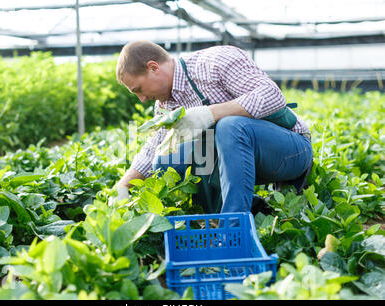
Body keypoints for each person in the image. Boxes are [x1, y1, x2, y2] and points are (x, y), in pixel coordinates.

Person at [113, 40, 313, 214]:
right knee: (166, 158)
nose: (142, 99)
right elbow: (154, 149)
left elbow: (273, 96)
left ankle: (233, 225)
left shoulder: (215, 61)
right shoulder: (166, 104)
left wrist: (210, 114)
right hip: (242, 163)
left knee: (229, 126)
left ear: (153, 67)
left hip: (290, 150)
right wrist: (123, 186)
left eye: (139, 90)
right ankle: (243, 210)